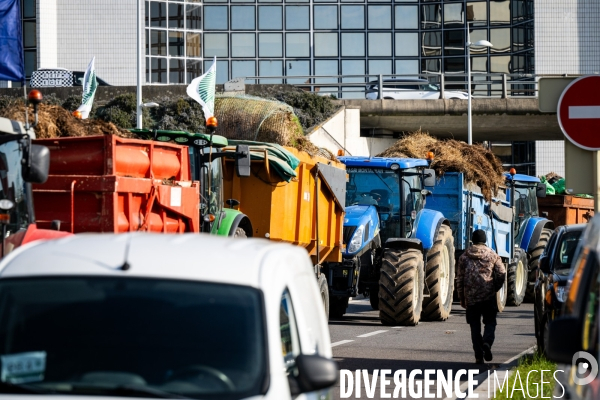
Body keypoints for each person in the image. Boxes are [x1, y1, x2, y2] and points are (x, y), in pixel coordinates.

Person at [456, 229, 507, 364]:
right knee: (490, 322)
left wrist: (461, 297)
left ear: (472, 240)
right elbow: (502, 272)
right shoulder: (493, 255)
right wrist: (495, 286)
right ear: (484, 241)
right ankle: (487, 343)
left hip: (471, 298)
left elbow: (459, 279)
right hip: (488, 296)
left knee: (474, 326)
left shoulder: (464, 257)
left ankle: (479, 356)